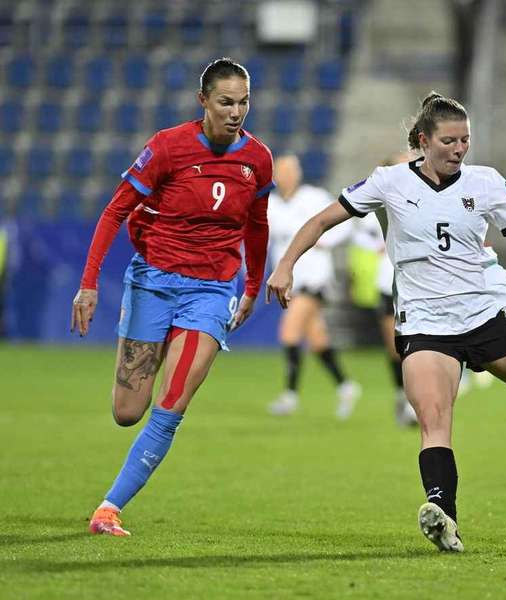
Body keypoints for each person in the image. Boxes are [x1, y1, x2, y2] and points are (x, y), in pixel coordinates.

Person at [266, 92, 506, 552]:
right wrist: (284, 266)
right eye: (449, 140)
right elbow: (322, 221)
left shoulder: (485, 183)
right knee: (435, 422)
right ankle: (442, 512)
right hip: (425, 326)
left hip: (483, 318)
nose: (459, 148)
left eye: (466, 139)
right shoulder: (388, 182)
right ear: (423, 141)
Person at [70, 58, 274, 536]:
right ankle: (151, 339)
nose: (236, 111)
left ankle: (108, 509)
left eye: (244, 102)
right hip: (153, 284)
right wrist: (89, 282)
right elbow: (114, 211)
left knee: (173, 404)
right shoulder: (168, 147)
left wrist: (251, 284)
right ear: (203, 101)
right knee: (127, 412)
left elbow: (257, 225)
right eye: (226, 102)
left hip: (211, 291)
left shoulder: (258, 159)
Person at [266, 154, 361, 419]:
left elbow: (345, 224)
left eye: (291, 170)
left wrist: (326, 242)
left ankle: (289, 396)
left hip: (314, 279)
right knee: (318, 340)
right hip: (290, 283)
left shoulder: (314, 197)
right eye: (282, 171)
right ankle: (346, 385)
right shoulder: (271, 205)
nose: (287, 175)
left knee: (289, 332)